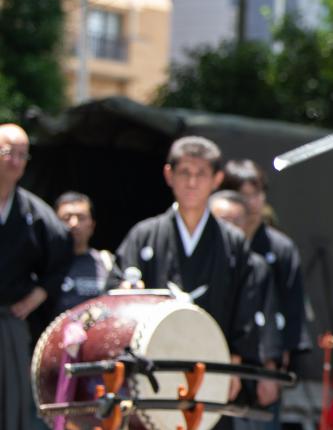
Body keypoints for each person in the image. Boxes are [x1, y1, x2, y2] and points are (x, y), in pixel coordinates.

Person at [110, 136, 265, 385]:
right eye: (184, 172)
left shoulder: (233, 242)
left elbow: (245, 308)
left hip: (213, 364)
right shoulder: (144, 235)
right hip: (151, 366)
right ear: (169, 175)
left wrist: (234, 366)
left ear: (216, 179)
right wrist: (126, 292)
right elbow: (117, 291)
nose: (192, 182)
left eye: (201, 174)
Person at [0, 124, 72, 430]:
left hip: (7, 321)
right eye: (8, 150)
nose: (15, 159)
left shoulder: (33, 213)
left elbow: (62, 253)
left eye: (23, 153)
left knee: (7, 416)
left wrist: (37, 296)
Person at [208, 190, 282, 430]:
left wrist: (268, 368)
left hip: (242, 370)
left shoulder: (256, 266)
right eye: (221, 221)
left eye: (236, 221)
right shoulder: (201, 264)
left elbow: (265, 319)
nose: (230, 228)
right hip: (201, 365)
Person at [220, 159, 313, 377]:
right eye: (244, 195)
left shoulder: (281, 248)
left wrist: (279, 358)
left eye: (257, 194)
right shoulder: (217, 246)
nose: (252, 203)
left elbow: (292, 305)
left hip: (266, 351)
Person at [52, 191, 115, 315]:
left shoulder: (106, 262)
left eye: (81, 218)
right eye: (66, 218)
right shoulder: (44, 263)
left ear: (92, 225)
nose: (74, 224)